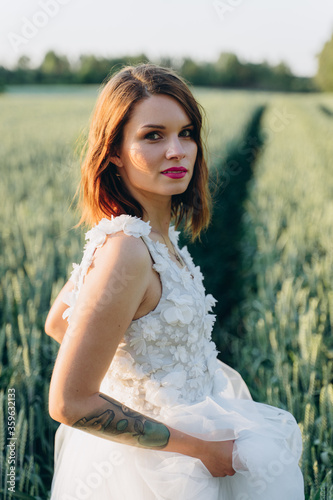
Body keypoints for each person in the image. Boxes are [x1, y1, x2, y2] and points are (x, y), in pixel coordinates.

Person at [45, 63, 305, 500]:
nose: (177, 150)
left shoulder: (148, 236)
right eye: (153, 135)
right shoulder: (126, 249)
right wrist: (199, 448)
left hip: (185, 444)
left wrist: (150, 371)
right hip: (158, 472)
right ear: (113, 151)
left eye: (186, 133)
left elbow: (59, 322)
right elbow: (68, 403)